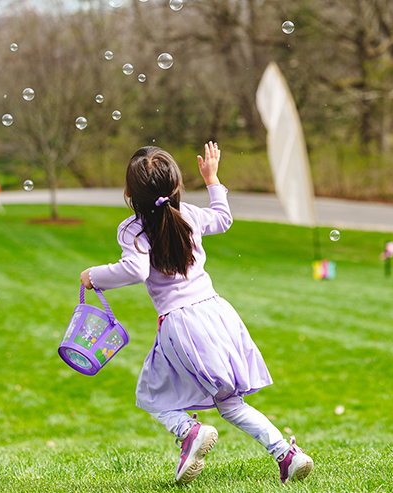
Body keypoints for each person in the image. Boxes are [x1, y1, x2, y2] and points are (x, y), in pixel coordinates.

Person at [79, 143, 313, 485]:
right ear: (176, 187)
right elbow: (223, 218)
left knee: (150, 394)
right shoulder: (188, 213)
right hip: (218, 314)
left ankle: (188, 430)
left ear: (129, 193)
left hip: (181, 324)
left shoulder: (133, 229)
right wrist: (212, 179)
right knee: (231, 403)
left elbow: (135, 269)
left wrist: (93, 275)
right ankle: (287, 455)